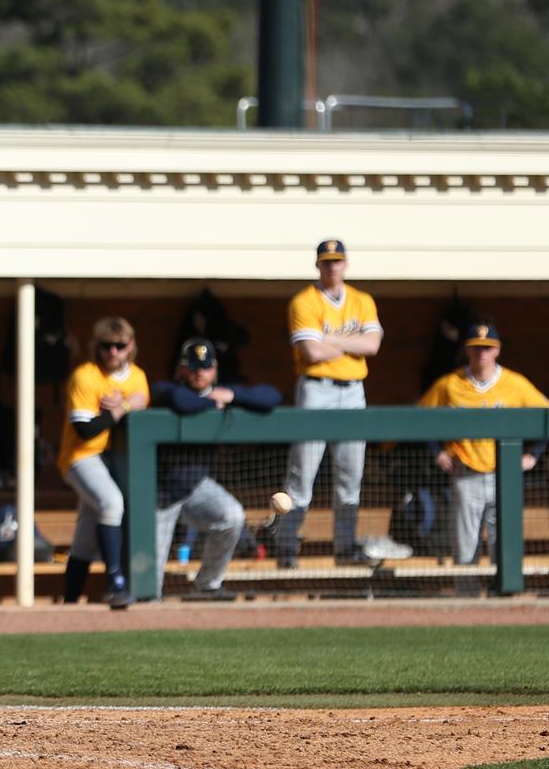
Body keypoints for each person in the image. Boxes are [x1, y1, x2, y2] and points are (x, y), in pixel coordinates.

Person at [414, 322, 549, 587]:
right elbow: (420, 418)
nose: (482, 354)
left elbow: (548, 416)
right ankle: (467, 603)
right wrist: (437, 451)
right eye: (476, 348)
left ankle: (503, 599)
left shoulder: (516, 383)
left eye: (487, 348)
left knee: (504, 544)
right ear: (467, 350)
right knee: (466, 547)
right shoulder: (449, 384)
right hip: (466, 474)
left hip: (505, 476)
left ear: (497, 350)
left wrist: (533, 455)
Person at [278, 239, 384, 566]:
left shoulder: (362, 300)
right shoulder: (304, 301)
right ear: (318, 265)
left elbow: (373, 345)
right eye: (327, 262)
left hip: (354, 390)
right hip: (316, 388)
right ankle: (286, 546)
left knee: (350, 476)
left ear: (346, 264)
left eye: (337, 261)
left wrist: (331, 339)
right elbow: (311, 352)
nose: (332, 267)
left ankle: (345, 547)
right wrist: (352, 345)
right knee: (302, 476)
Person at [149, 338, 281, 601]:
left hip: (195, 486)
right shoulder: (168, 389)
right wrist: (211, 403)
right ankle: (148, 603)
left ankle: (208, 584)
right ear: (182, 368)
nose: (200, 372)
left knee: (232, 516)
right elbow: (180, 400)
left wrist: (231, 396)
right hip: (158, 490)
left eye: (206, 367)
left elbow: (271, 397)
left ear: (215, 369)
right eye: (194, 367)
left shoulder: (221, 391)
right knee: (151, 573)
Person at [58, 317, 149, 609]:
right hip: (80, 456)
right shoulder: (85, 375)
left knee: (86, 536)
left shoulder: (138, 377)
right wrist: (123, 407)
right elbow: (85, 430)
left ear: (131, 346)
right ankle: (116, 583)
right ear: (96, 347)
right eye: (106, 346)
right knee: (111, 503)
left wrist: (120, 409)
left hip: (109, 460)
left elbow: (143, 408)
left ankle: (70, 601)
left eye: (119, 346)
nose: (113, 352)